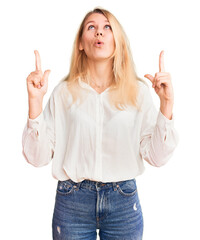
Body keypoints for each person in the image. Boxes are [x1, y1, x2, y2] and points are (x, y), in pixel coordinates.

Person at [22, 7, 179, 240]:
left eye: (107, 27)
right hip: (72, 201)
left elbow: (157, 157)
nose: (99, 33)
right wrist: (35, 102)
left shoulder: (138, 92)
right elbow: (37, 158)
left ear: (117, 40)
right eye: (91, 27)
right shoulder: (63, 93)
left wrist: (166, 104)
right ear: (81, 44)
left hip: (123, 202)